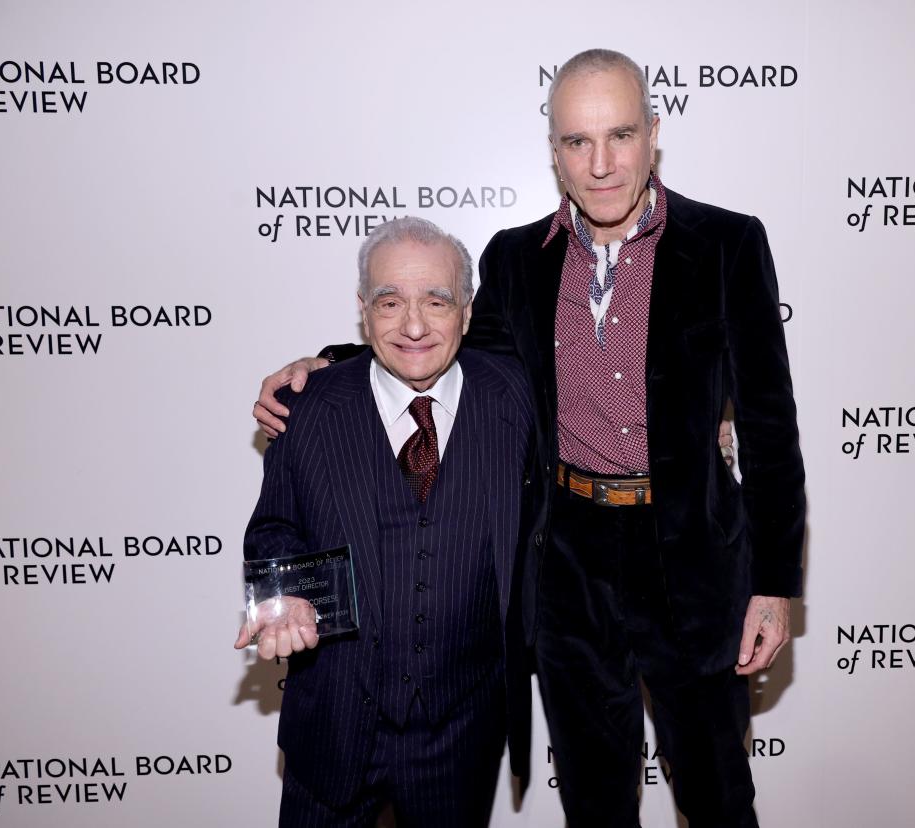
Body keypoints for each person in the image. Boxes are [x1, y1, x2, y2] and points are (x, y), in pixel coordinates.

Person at [255, 48, 804, 828]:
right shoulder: (514, 259)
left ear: (653, 133)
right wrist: (332, 365)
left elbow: (771, 426)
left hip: (693, 560)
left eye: (619, 135)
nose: (602, 163)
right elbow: (454, 355)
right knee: (594, 801)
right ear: (554, 153)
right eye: (578, 142)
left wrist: (774, 586)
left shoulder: (728, 244)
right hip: (567, 560)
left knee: (718, 797)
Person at [236, 216, 535, 827]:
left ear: (469, 312)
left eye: (437, 300)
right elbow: (273, 525)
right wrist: (283, 593)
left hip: (462, 732)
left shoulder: (519, 398)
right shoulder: (308, 405)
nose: (415, 325)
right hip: (335, 721)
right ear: (363, 312)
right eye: (390, 302)